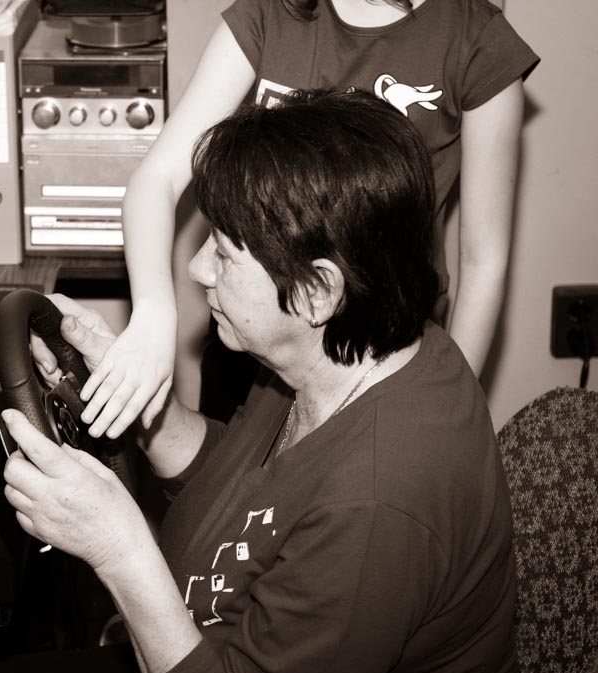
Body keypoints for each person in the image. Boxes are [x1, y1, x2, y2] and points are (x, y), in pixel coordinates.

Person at [0, 89, 517, 673]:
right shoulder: (335, 353)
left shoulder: (379, 502)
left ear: (316, 291)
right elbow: (251, 491)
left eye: (223, 251)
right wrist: (136, 399)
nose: (195, 268)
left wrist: (117, 547)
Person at [71, 0, 539, 441]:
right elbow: (157, 178)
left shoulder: (474, 38)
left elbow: (483, 261)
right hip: (253, 333)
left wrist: (445, 408)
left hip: (378, 349)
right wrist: (153, 314)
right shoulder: (273, 12)